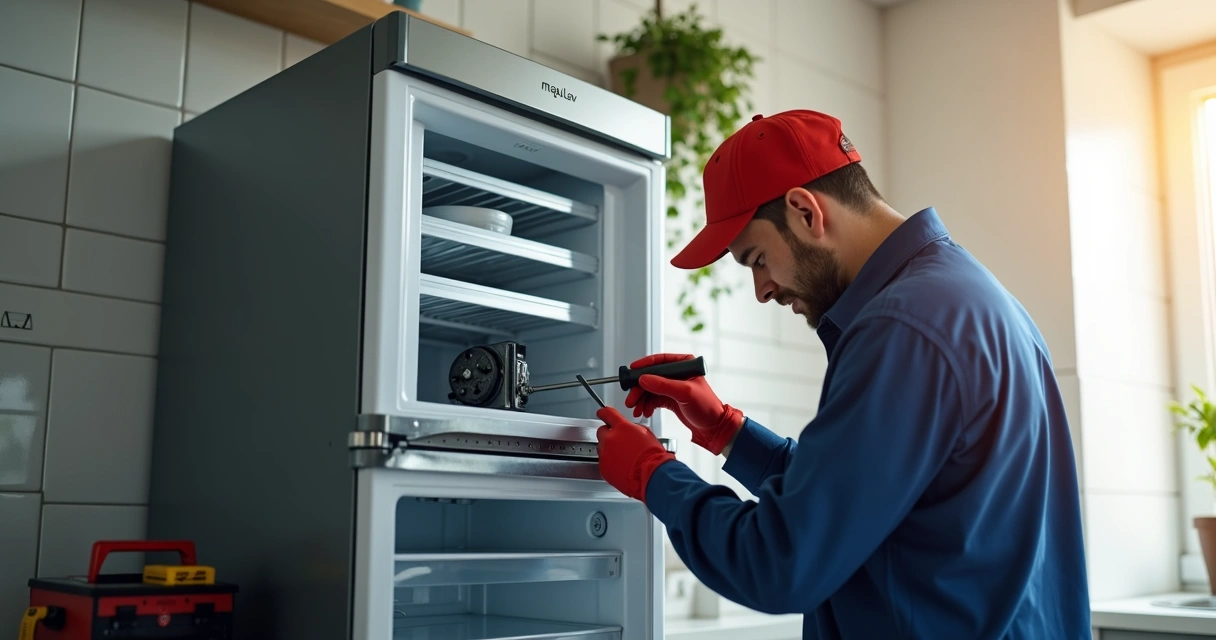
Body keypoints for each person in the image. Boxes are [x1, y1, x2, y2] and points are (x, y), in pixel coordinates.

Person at [594, 109, 1090, 638]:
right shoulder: (965, 298)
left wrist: (652, 474)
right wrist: (725, 431)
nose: (762, 289)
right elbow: (860, 504)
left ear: (805, 211)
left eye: (757, 259)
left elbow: (780, 562)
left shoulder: (902, 329)